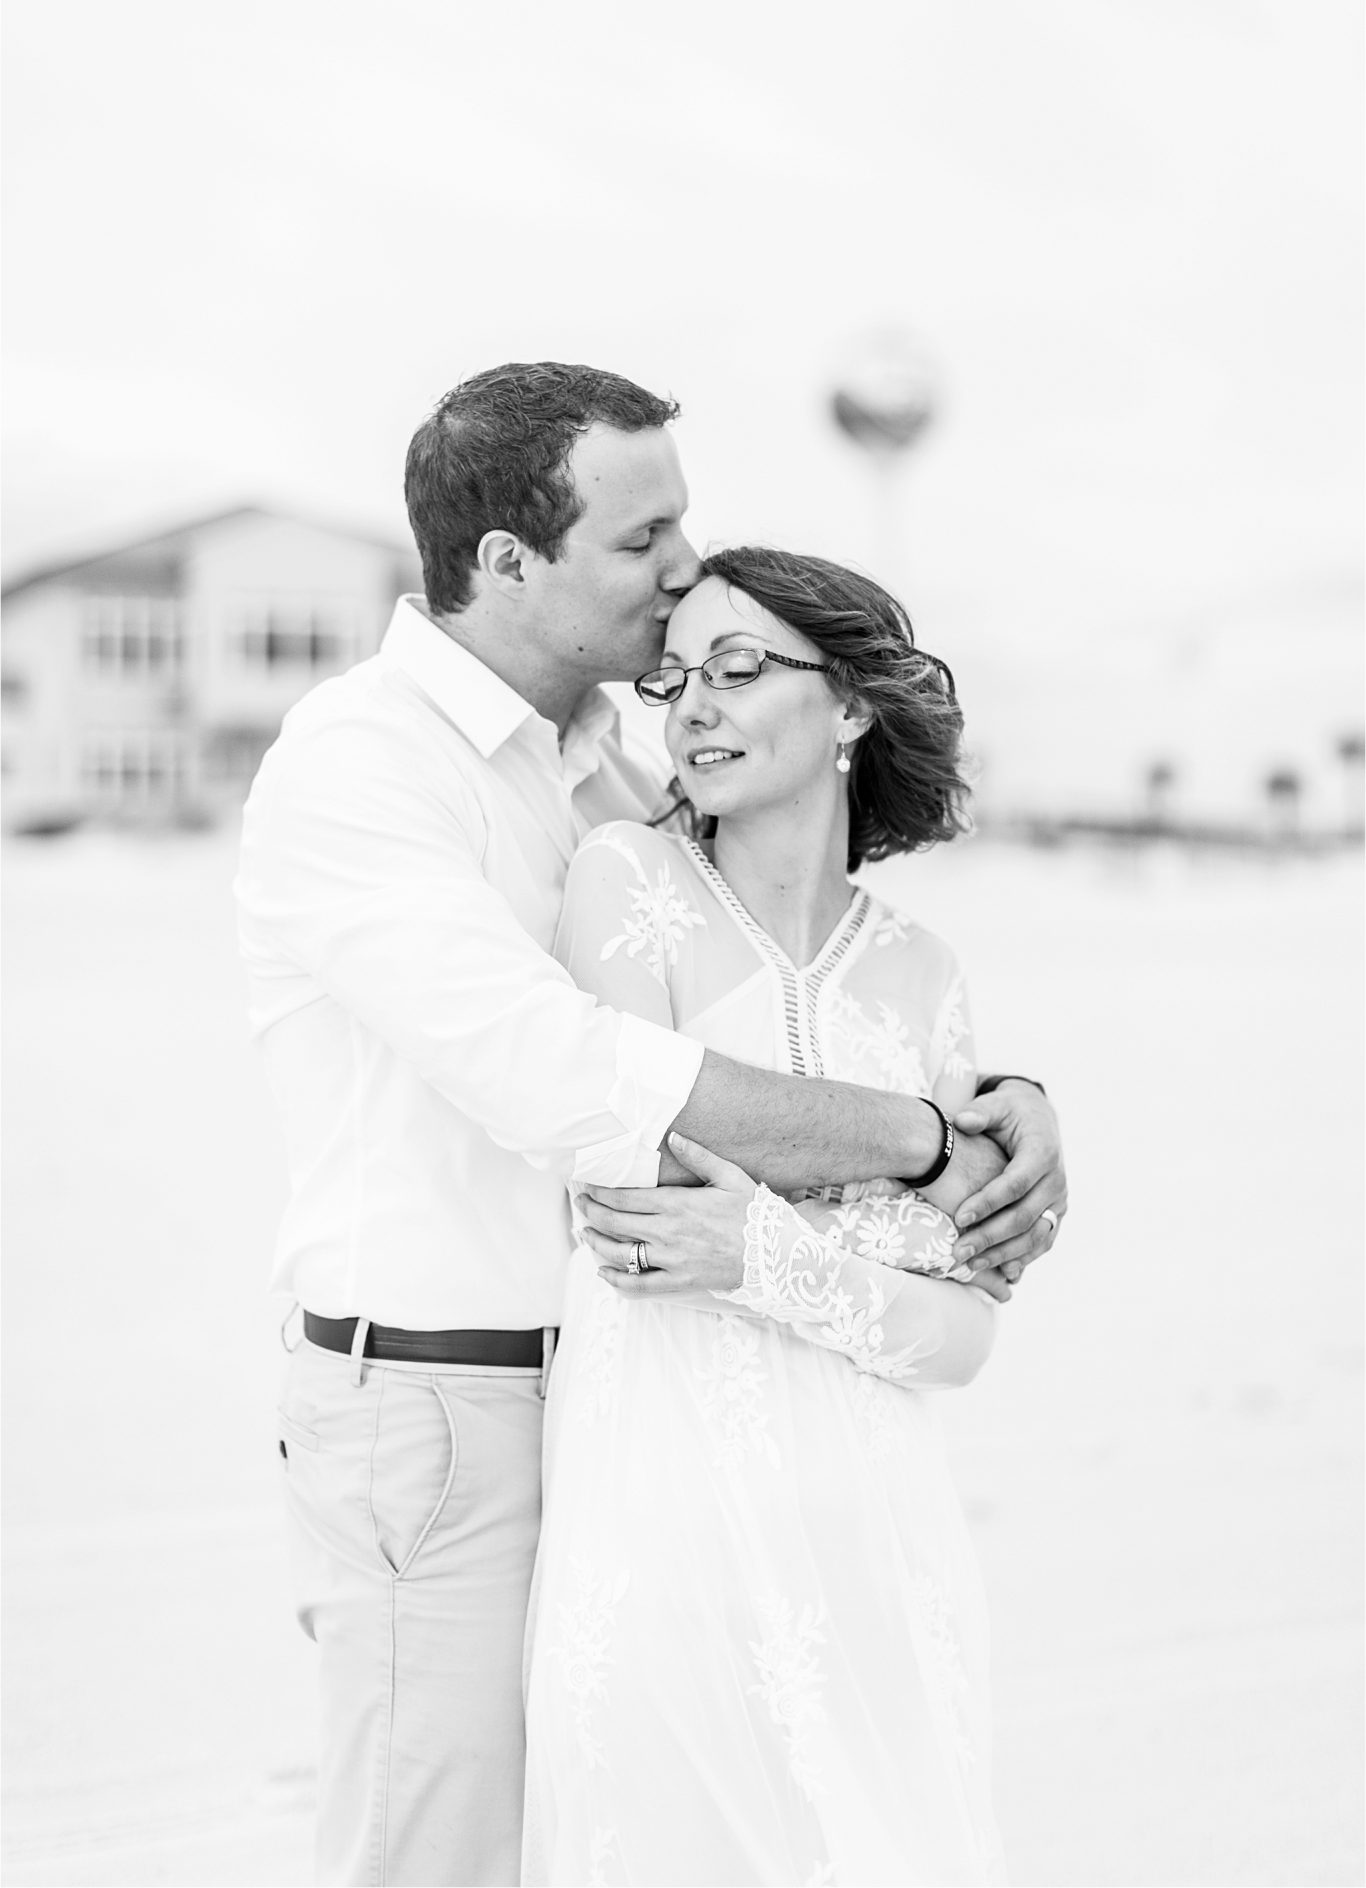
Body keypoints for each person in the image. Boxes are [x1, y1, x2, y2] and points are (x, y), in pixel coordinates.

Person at [235, 364, 1065, 1887]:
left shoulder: (601, 768)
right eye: (644, 539)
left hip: (628, 1409)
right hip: (437, 1403)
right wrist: (918, 1143)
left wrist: (1005, 1111)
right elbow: (571, 1080)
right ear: (506, 562)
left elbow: (790, 949)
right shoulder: (362, 767)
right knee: (441, 1855)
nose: (682, 567)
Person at [524, 546, 1011, 1886]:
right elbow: (641, 1201)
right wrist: (883, 1226)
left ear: (852, 705)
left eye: (740, 670)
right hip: (667, 1520)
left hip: (873, 1537)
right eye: (675, 676)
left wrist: (770, 1253)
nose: (691, 706)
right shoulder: (627, 886)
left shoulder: (922, 974)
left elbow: (965, 1338)